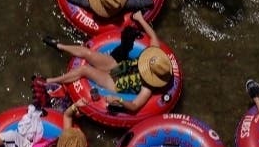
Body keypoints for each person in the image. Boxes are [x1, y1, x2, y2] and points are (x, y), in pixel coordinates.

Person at [41, 10, 172, 116]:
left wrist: (119, 100)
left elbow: (134, 106)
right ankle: (59, 46)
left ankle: (51, 80)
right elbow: (154, 37)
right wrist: (140, 19)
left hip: (114, 83)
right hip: (119, 68)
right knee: (88, 53)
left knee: (84, 70)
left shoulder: (147, 88)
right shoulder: (154, 56)